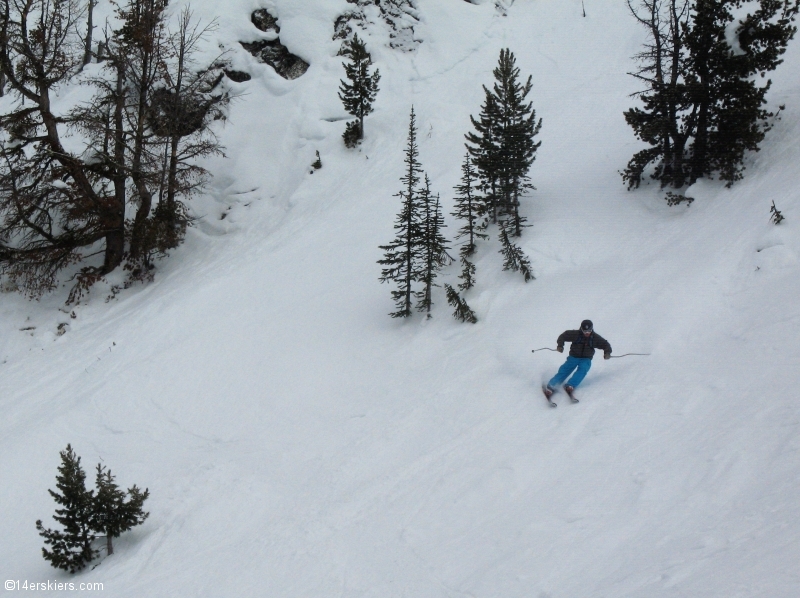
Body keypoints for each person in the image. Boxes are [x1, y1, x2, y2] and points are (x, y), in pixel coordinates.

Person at [545, 320, 611, 397]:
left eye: (589, 331)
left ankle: (570, 385)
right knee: (565, 369)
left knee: (583, 370)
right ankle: (551, 386)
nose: (587, 333)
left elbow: (606, 345)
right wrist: (560, 345)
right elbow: (563, 336)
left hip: (586, 359)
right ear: (581, 329)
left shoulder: (595, 338)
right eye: (585, 331)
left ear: (592, 329)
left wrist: (607, 353)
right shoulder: (575, 334)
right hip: (574, 356)